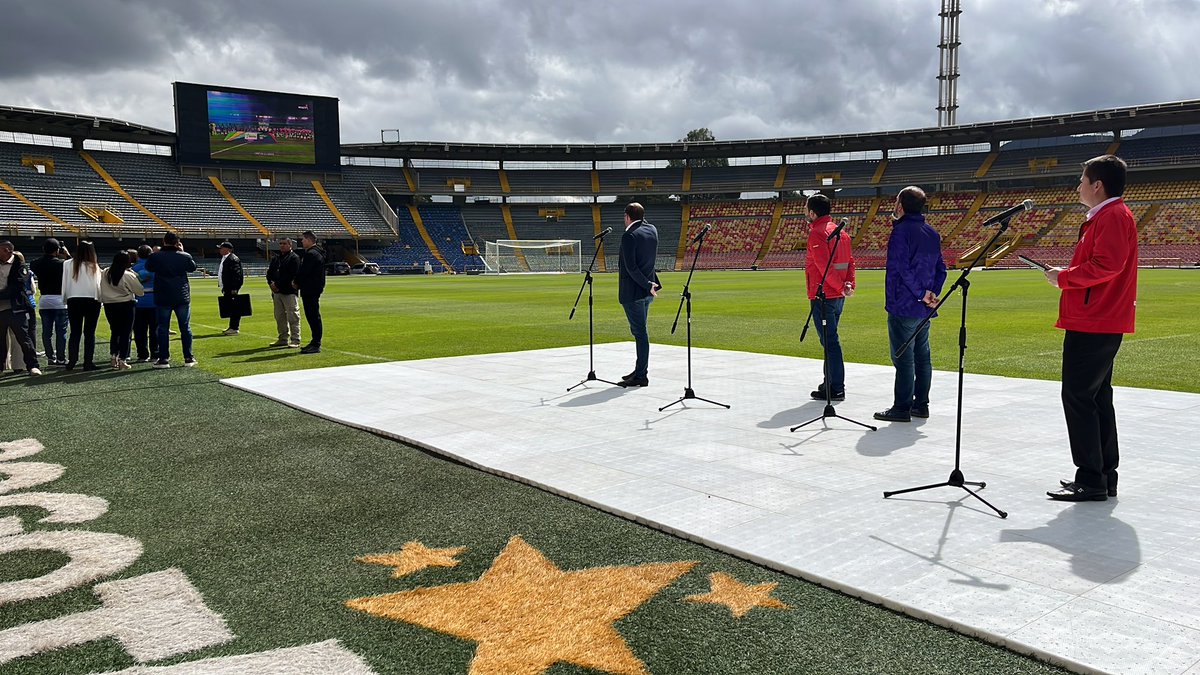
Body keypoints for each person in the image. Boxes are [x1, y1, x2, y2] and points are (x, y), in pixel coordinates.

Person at [1044, 155, 1138, 502]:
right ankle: (1102, 475)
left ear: (1097, 185)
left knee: (1079, 397)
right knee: (1097, 398)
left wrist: (1065, 278)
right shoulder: (1110, 216)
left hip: (1095, 319)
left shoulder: (1112, 216)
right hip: (1098, 317)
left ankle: (1091, 479)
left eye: (1082, 180)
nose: (1078, 186)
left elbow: (1106, 265)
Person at [875, 186, 946, 423]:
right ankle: (921, 404)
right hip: (924, 306)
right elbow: (941, 269)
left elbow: (902, 268)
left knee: (904, 357)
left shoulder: (900, 232)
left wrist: (919, 293)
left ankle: (901, 407)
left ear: (900, 205)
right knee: (922, 356)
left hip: (903, 304)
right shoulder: (932, 233)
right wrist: (932, 293)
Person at [804, 194, 856, 402]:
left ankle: (835, 387)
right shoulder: (841, 233)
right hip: (837, 296)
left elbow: (823, 267)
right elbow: (850, 262)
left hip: (823, 295)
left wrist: (840, 287)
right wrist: (849, 285)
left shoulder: (817, 234)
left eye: (806, 209)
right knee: (830, 341)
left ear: (812, 213)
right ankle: (830, 383)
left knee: (830, 342)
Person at [617, 202, 660, 387]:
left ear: (627, 216)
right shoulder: (652, 230)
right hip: (648, 291)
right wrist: (650, 285)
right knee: (640, 332)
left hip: (635, 292)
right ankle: (639, 369)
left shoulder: (629, 236)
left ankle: (642, 375)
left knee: (640, 333)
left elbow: (631, 267)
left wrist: (647, 284)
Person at [146, 231, 198, 368]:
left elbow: (149, 267)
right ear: (177, 242)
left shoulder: (155, 257)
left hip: (163, 296)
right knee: (185, 327)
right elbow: (192, 267)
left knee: (163, 328)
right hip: (181, 296)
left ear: (164, 241)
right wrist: (182, 251)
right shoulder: (184, 256)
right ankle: (188, 357)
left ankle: (163, 358)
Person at [0, 241, 42, 376]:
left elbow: (16, 288)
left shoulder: (20, 266)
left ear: (7, 250)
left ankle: (33, 366)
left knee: (24, 338)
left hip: (16, 308)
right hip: (1, 309)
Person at [60, 240, 103, 372]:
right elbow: (98, 285)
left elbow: (64, 282)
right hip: (92, 300)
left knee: (75, 332)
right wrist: (100, 300)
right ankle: (88, 362)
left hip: (74, 299)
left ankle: (72, 361)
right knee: (89, 333)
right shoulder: (94, 266)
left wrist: (65, 298)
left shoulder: (67, 264)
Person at [100, 250, 144, 370]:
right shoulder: (127, 275)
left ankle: (113, 356)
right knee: (125, 333)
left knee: (115, 332)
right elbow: (140, 291)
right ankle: (122, 359)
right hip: (126, 305)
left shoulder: (105, 272)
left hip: (109, 305)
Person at [30, 239, 68, 366]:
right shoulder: (62, 263)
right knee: (61, 332)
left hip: (45, 300)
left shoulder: (36, 263)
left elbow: (37, 263)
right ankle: (61, 359)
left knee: (47, 332)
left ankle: (50, 357)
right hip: (60, 300)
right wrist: (66, 255)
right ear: (57, 250)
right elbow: (73, 265)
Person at [292, 231, 326, 354]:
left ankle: (316, 343)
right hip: (314, 287)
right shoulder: (318, 252)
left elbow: (304, 271)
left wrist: (296, 282)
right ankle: (315, 342)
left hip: (310, 288)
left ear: (309, 240)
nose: (302, 241)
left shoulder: (311, 254)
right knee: (313, 315)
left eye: (303, 239)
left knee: (312, 316)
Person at [266, 238, 301, 347]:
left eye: (284, 243)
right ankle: (283, 338)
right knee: (279, 316)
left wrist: (277, 285)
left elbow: (291, 275)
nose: (282, 246)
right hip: (277, 292)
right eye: (280, 244)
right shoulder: (276, 258)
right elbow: (269, 273)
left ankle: (295, 339)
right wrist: (271, 283)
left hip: (289, 291)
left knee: (293, 316)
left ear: (290, 245)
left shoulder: (294, 258)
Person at [131, 244, 158, 363]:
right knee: (155, 330)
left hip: (138, 303)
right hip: (155, 302)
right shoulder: (156, 267)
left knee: (139, 331)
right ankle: (155, 354)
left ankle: (142, 354)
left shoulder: (134, 268)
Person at [217, 241, 244, 335]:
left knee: (234, 308)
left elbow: (237, 275)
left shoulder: (233, 259)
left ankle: (234, 327)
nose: (220, 250)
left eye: (222, 248)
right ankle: (232, 326)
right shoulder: (226, 258)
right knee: (230, 307)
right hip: (227, 287)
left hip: (231, 288)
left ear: (228, 249)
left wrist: (234, 288)